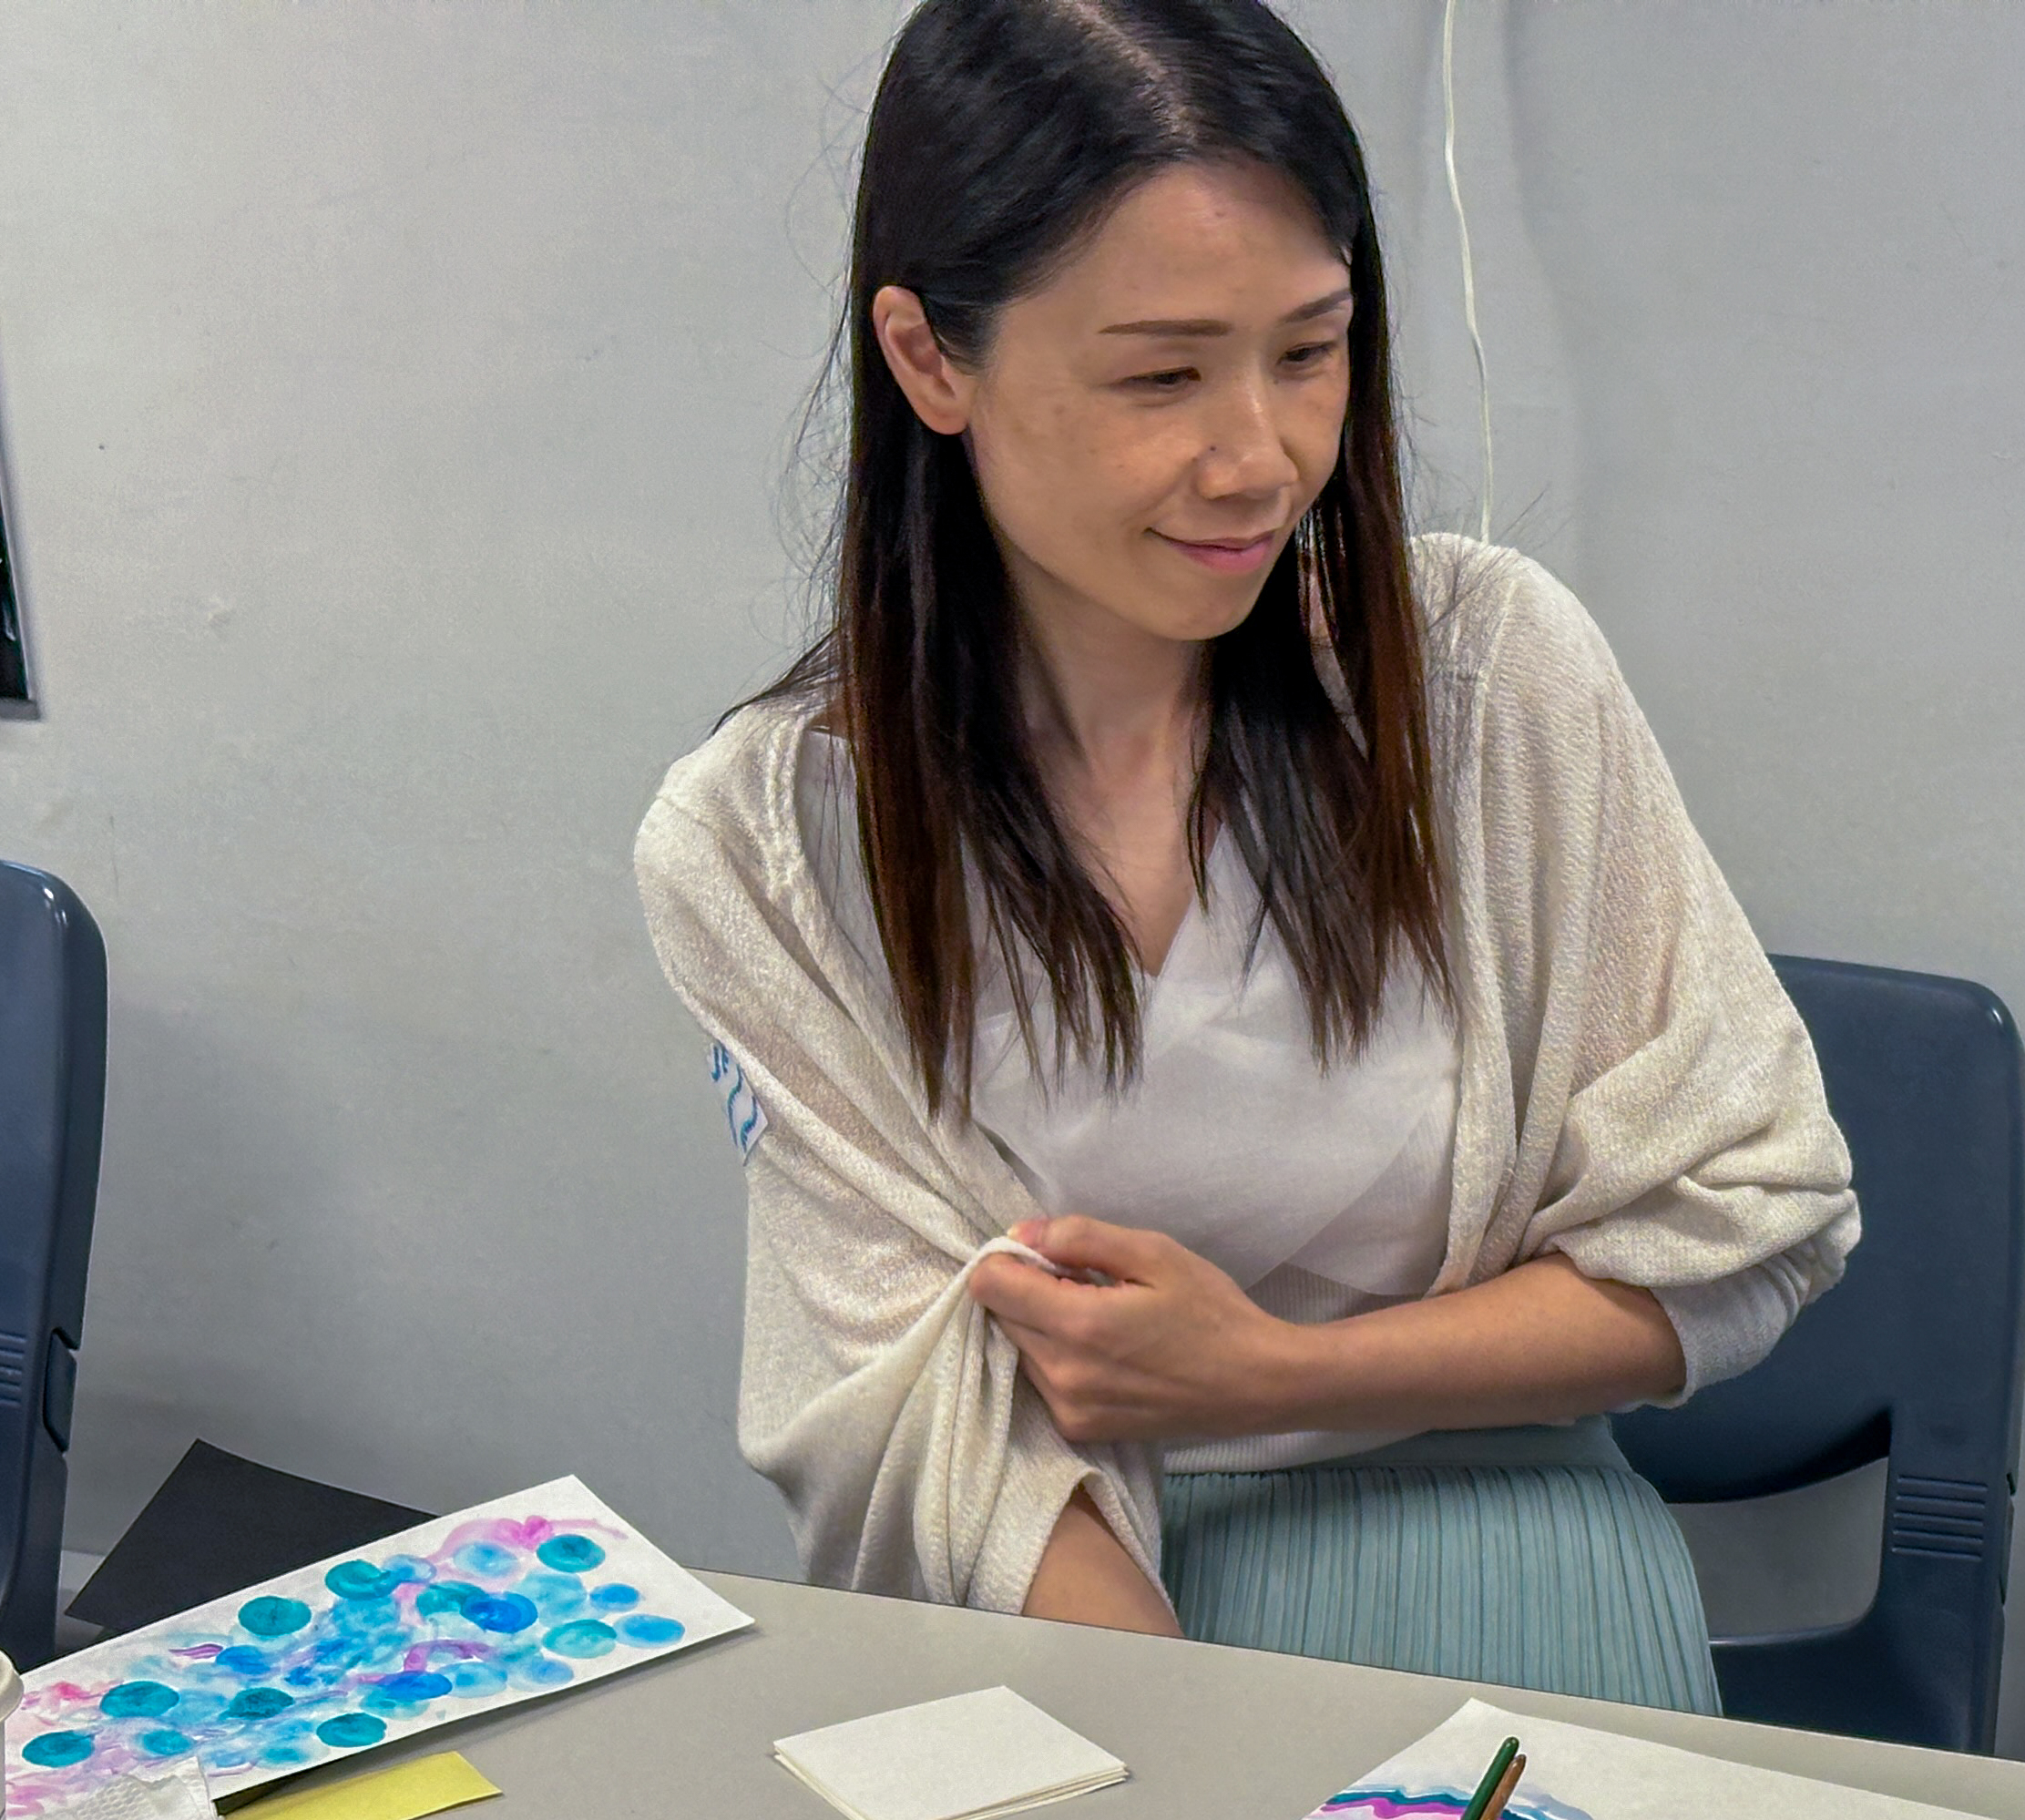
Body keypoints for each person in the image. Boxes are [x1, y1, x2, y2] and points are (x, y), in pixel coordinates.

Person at [634, 0, 1854, 1713]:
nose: (1262, 456)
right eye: (1159, 375)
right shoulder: (767, 840)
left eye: (1311, 350)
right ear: (928, 360)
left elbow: (1752, 1221)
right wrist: (1199, 1770)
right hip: (1070, 1615)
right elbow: (923, 1412)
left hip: (1510, 1548)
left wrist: (1273, 1373)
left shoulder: (1485, 675)